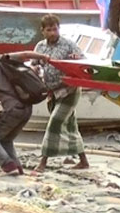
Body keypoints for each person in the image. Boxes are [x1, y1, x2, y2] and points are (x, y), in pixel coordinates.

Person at [0, 47, 50, 175]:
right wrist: (43, 57)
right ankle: (17, 168)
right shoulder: (3, 59)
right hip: (27, 109)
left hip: (13, 110)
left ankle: (8, 166)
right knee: (5, 139)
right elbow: (25, 54)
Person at [32, 15, 88, 173]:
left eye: (55, 29)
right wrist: (34, 69)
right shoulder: (40, 47)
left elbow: (84, 63)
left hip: (69, 91)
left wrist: (77, 60)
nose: (52, 33)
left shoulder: (69, 45)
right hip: (52, 92)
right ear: (42, 31)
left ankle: (43, 162)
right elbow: (33, 64)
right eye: (49, 30)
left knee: (54, 123)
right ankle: (84, 161)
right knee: (71, 126)